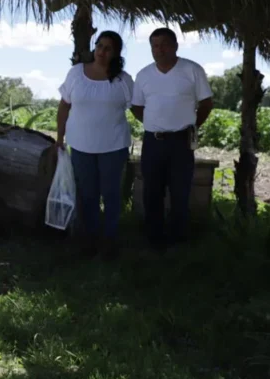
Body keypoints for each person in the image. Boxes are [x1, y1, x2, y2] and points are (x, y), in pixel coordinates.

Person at [131, 27, 214, 249]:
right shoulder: (143, 75)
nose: (160, 50)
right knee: (152, 193)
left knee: (180, 192)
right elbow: (137, 106)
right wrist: (155, 124)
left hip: (181, 142)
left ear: (175, 46)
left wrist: (192, 126)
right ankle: (154, 241)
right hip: (153, 142)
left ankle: (178, 241)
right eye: (155, 46)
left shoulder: (192, 70)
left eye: (165, 44)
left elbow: (206, 103)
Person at [56, 31, 134, 259]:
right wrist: (59, 139)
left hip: (114, 146)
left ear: (116, 53)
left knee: (111, 195)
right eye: (99, 45)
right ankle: (88, 241)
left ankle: (109, 242)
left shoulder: (123, 80)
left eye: (108, 48)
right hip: (80, 146)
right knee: (87, 195)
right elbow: (64, 107)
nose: (101, 51)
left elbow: (138, 108)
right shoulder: (76, 74)